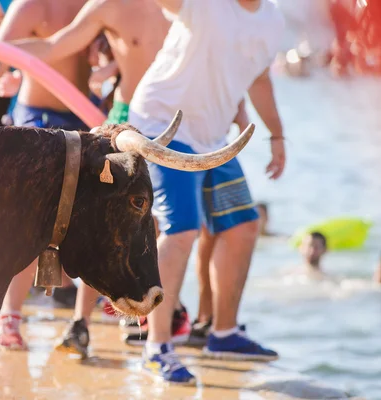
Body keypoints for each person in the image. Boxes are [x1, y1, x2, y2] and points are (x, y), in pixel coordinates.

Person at [0, 0, 174, 357]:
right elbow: (51, 46)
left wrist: (108, 66)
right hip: (64, 119)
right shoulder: (99, 5)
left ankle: (124, 315)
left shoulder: (179, 10)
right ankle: (14, 316)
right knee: (36, 224)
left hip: (92, 123)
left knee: (124, 222)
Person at [128, 0, 286, 383]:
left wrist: (277, 134)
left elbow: (259, 79)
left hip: (212, 139)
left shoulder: (273, 21)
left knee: (243, 226)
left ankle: (224, 334)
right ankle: (157, 347)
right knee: (181, 230)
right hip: (164, 125)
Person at [0, 0, 92, 350]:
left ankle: (83, 321)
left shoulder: (97, 4)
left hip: (86, 117)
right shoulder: (33, 6)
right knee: (32, 222)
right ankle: (9, 315)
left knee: (95, 219)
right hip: (37, 120)